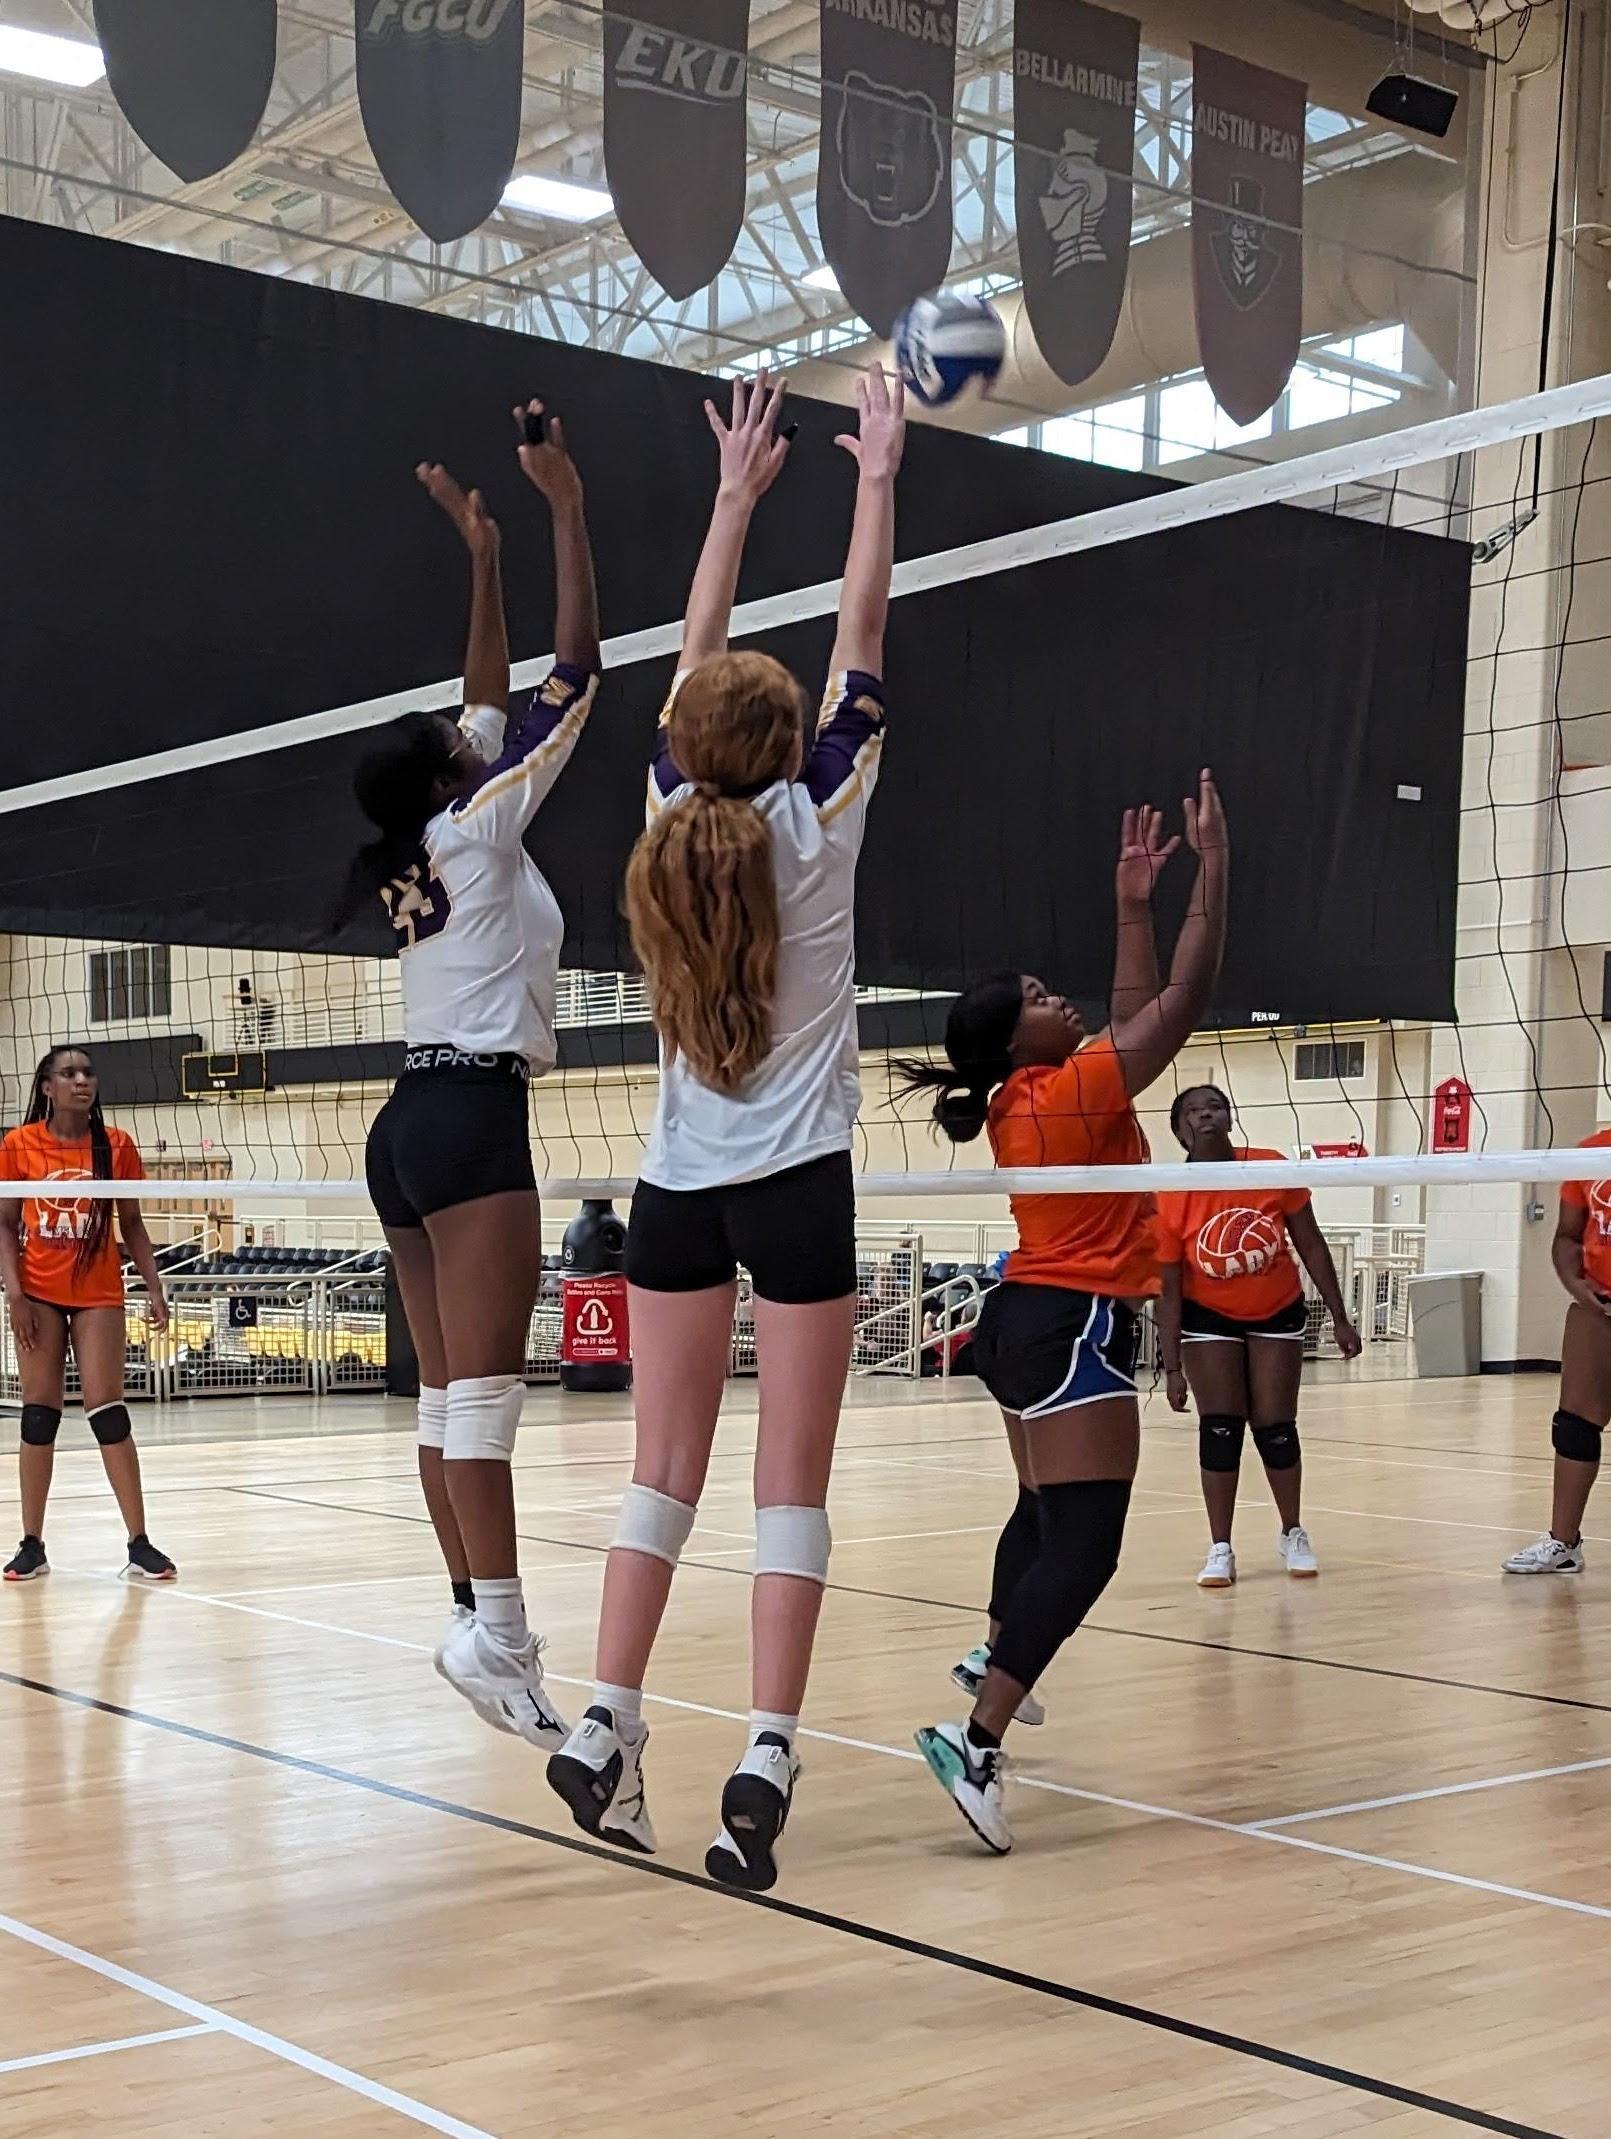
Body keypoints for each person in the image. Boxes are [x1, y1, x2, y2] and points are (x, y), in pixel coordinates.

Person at [546, 362, 905, 1890]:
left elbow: (692, 662)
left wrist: (731, 496)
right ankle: (763, 1745)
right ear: (788, 743)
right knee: (787, 1485)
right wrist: (873, 478)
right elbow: (863, 637)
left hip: (675, 1189)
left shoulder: (659, 824)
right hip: (798, 1186)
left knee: (661, 1470)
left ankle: (609, 1710)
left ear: (685, 748)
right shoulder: (819, 820)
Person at [904, 788, 1229, 1855]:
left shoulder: (1026, 1098)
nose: (1064, 1000)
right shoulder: (1066, 1093)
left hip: (1021, 1320)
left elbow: (1130, 1013)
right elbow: (1179, 1001)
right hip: (1073, 1326)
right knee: (1088, 1544)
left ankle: (994, 1651)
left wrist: (1132, 903)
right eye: (1043, 996)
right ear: (1017, 1037)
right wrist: (1210, 872)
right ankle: (979, 1738)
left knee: (1045, 1517)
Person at [350, 400, 600, 1741]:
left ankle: (468, 1610)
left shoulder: (426, 832)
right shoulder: (486, 819)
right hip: (466, 1114)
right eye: (461, 734)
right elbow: (578, 670)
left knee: (449, 1395)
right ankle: (499, 1634)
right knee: (487, 1400)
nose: (475, 728)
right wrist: (565, 508)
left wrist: (484, 551)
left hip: (405, 1120)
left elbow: (491, 694)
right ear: (453, 770)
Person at [1156, 1083, 1360, 1589]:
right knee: (1221, 1427)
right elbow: (1168, 1286)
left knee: (1276, 1426)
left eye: (1215, 1107)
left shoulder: (1268, 1165)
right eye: (1194, 1111)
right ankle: (1220, 1546)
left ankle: (1292, 1530)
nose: (1206, 1115)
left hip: (1276, 1308)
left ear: (1230, 1117)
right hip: (1208, 1315)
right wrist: (1173, 1366)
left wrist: (1339, 1314)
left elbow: (1309, 1242)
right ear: (1181, 1129)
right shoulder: (1166, 1189)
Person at [1, 1047, 174, 1583]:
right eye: (69, 1073)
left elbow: (134, 1225)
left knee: (109, 1411)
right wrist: (14, 1295)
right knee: (38, 1415)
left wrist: (155, 1287)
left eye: (89, 1072)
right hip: (39, 1292)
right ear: (47, 1087)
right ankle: (32, 1543)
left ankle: (140, 1543)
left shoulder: (116, 1145)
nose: (83, 1081)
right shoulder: (18, 1145)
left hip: (98, 1292)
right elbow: (5, 1225)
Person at [1502, 1125, 1611, 1575]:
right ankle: (1563, 1543)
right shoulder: (1591, 1153)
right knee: (1573, 1426)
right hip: (1600, 1304)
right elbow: (1568, 1235)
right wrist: (1576, 1285)